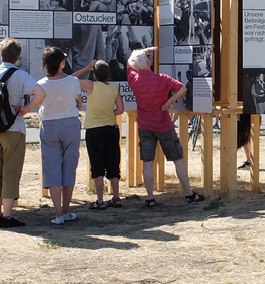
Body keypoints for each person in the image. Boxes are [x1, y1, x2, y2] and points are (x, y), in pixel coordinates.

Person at [126, 47, 204, 206]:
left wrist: (141, 52)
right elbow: (183, 88)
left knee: (147, 162)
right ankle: (189, 193)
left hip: (145, 126)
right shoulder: (162, 79)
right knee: (177, 159)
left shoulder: (134, 79)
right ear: (149, 62)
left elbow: (129, 65)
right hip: (163, 125)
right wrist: (168, 103)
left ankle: (150, 198)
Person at [20, 47, 84, 225]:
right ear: (62, 62)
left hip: (49, 125)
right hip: (70, 124)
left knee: (52, 168)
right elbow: (79, 102)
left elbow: (37, 103)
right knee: (69, 167)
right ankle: (66, 211)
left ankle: (57, 215)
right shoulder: (73, 81)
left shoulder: (41, 83)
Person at [0, 38, 37, 228]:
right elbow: (41, 92)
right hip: (14, 127)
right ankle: (7, 215)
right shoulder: (21, 75)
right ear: (18, 57)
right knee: (11, 171)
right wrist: (26, 108)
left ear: (2, 53)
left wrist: (2, 43)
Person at [80, 60, 124, 209]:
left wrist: (86, 67)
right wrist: (109, 113)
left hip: (94, 129)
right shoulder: (114, 88)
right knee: (113, 162)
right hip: (111, 128)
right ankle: (116, 196)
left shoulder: (91, 85)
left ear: (94, 74)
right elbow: (120, 109)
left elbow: (70, 79)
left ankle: (100, 200)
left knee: (97, 165)